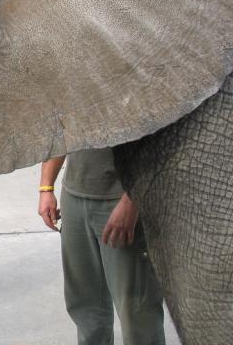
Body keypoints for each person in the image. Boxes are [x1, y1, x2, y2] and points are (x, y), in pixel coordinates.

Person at [38, 148, 165, 345]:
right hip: (74, 198)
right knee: (86, 308)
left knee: (137, 312)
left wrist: (132, 201)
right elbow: (60, 133)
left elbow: (161, 144)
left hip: (121, 202)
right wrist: (46, 188)